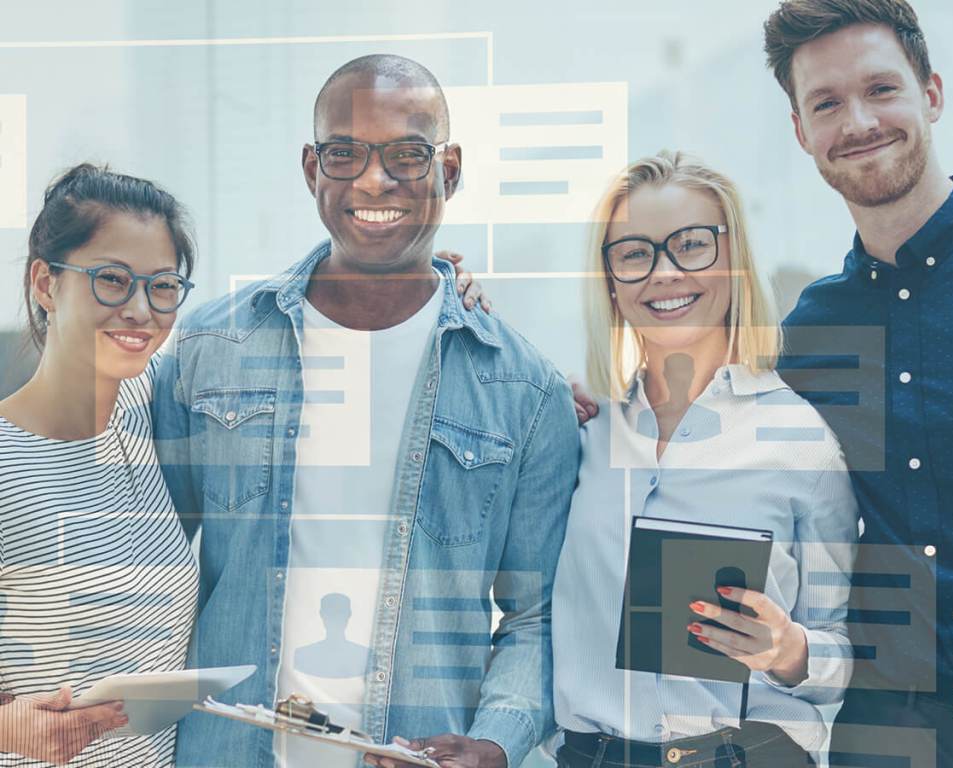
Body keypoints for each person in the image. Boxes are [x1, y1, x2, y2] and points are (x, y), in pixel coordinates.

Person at [152, 54, 580, 768]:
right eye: (344, 153)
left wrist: (496, 744)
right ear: (311, 168)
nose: (373, 181)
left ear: (449, 168)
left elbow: (535, 617)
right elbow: (147, 562)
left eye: (407, 155)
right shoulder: (209, 350)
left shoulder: (526, 391)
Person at [760, 1, 953, 765]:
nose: (859, 121)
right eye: (827, 103)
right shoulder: (809, 334)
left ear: (931, 94)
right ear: (802, 132)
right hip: (885, 738)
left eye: (881, 89)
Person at [553, 151, 858, 768]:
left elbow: (840, 654)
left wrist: (789, 649)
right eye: (635, 253)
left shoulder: (800, 441)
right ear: (609, 279)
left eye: (691, 244)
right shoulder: (582, 433)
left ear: (734, 261)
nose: (664, 272)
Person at [0, 164, 200, 766]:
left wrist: (425, 280)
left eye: (162, 285)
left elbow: (271, 336)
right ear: (44, 283)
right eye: (111, 279)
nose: (140, 310)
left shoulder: (153, 407)